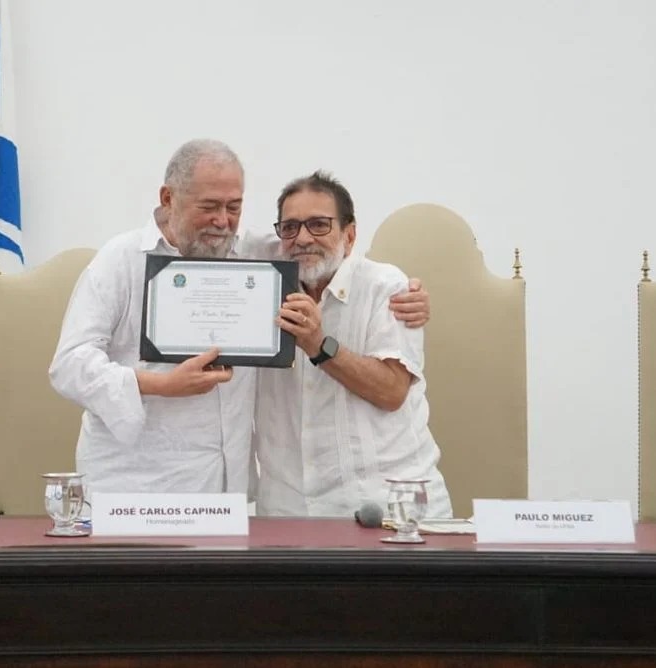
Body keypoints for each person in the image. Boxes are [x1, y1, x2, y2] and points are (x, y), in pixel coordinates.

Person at [49, 140, 428, 496]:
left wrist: (403, 291)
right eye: (209, 206)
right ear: (168, 198)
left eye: (234, 207)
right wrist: (160, 383)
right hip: (133, 482)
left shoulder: (254, 255)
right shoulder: (121, 259)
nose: (223, 221)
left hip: (224, 489)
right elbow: (68, 365)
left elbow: (317, 251)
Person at [252, 171, 451, 518]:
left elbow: (392, 391)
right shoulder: (258, 282)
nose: (302, 238)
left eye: (318, 225)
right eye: (290, 227)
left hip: (388, 508)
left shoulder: (387, 288)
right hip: (289, 512)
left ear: (350, 234)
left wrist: (318, 345)